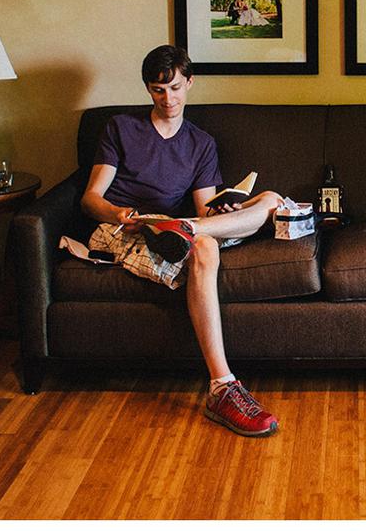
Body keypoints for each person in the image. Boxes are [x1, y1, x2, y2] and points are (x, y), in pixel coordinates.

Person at [80, 44, 287, 437]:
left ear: (190, 83)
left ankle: (189, 229)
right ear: (148, 89)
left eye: (175, 88)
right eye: (158, 90)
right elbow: (91, 198)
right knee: (205, 244)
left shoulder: (200, 143)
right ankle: (222, 387)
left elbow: (205, 207)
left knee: (269, 200)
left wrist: (223, 209)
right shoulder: (120, 128)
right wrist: (118, 213)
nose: (168, 98)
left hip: (181, 226)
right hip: (130, 227)